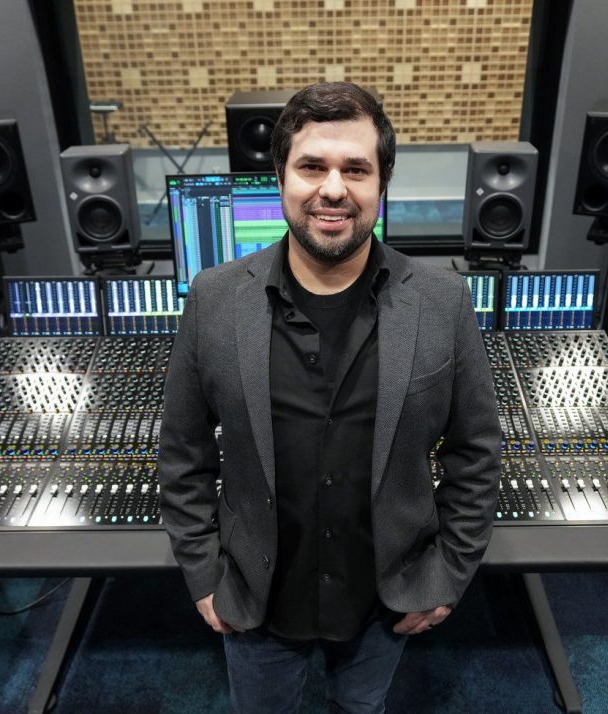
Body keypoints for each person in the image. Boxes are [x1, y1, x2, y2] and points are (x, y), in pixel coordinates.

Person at [159, 81, 501, 713]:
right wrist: (204, 574)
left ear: (382, 181)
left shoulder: (442, 302)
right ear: (281, 177)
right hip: (256, 600)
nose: (334, 189)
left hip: (383, 603)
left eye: (356, 169)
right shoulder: (213, 298)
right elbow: (182, 454)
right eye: (312, 166)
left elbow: (476, 452)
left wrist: (447, 575)